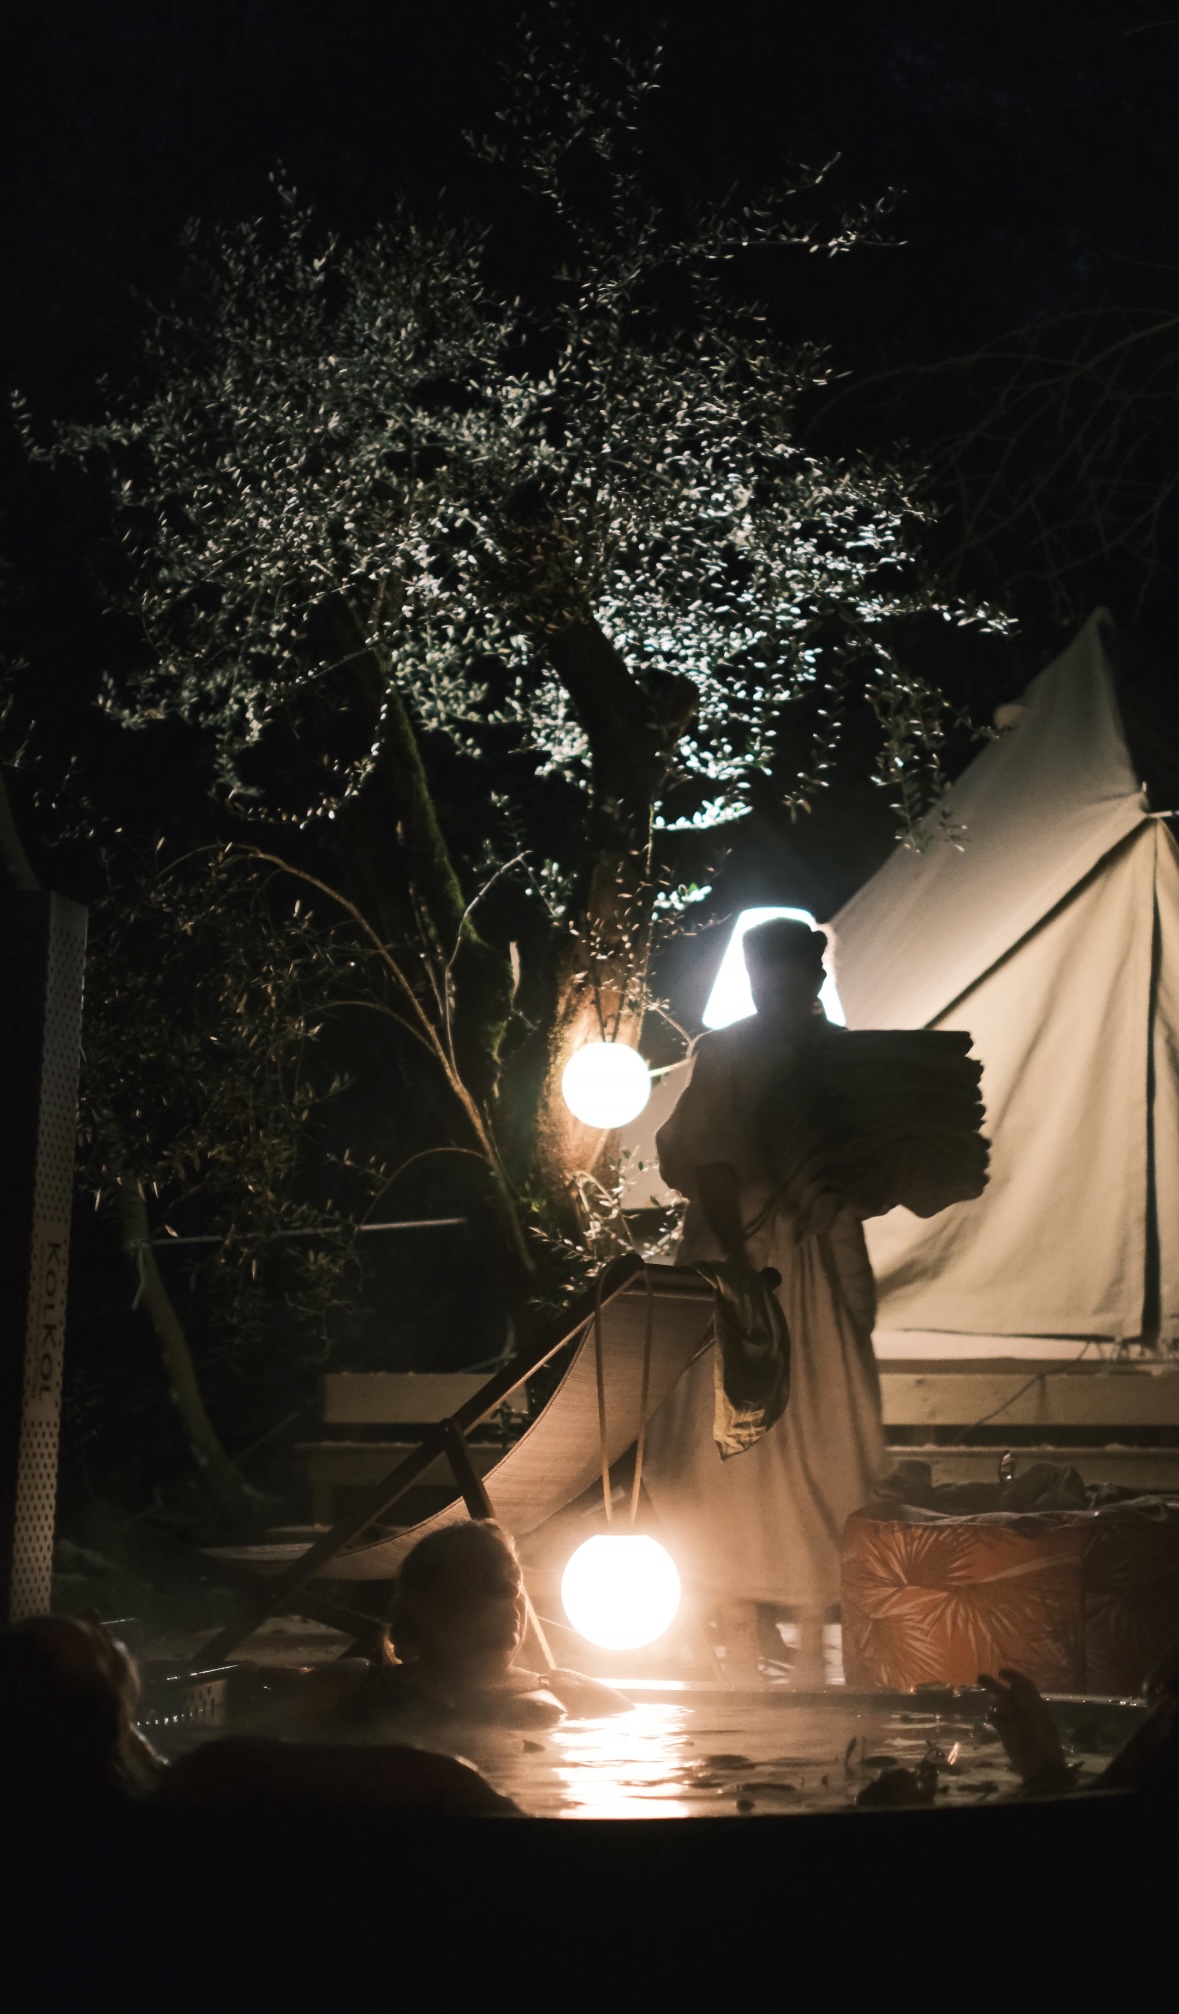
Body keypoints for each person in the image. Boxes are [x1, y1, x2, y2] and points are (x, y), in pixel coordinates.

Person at [642, 918, 886, 1684]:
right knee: (729, 1441)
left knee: (822, 1430)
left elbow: (862, 1164)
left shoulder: (837, 1058)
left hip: (812, 1247)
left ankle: (810, 1624)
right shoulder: (728, 1053)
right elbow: (708, 1160)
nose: (779, 989)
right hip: (745, 1257)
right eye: (767, 977)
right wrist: (739, 1260)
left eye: (793, 976)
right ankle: (739, 1625)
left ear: (812, 979)